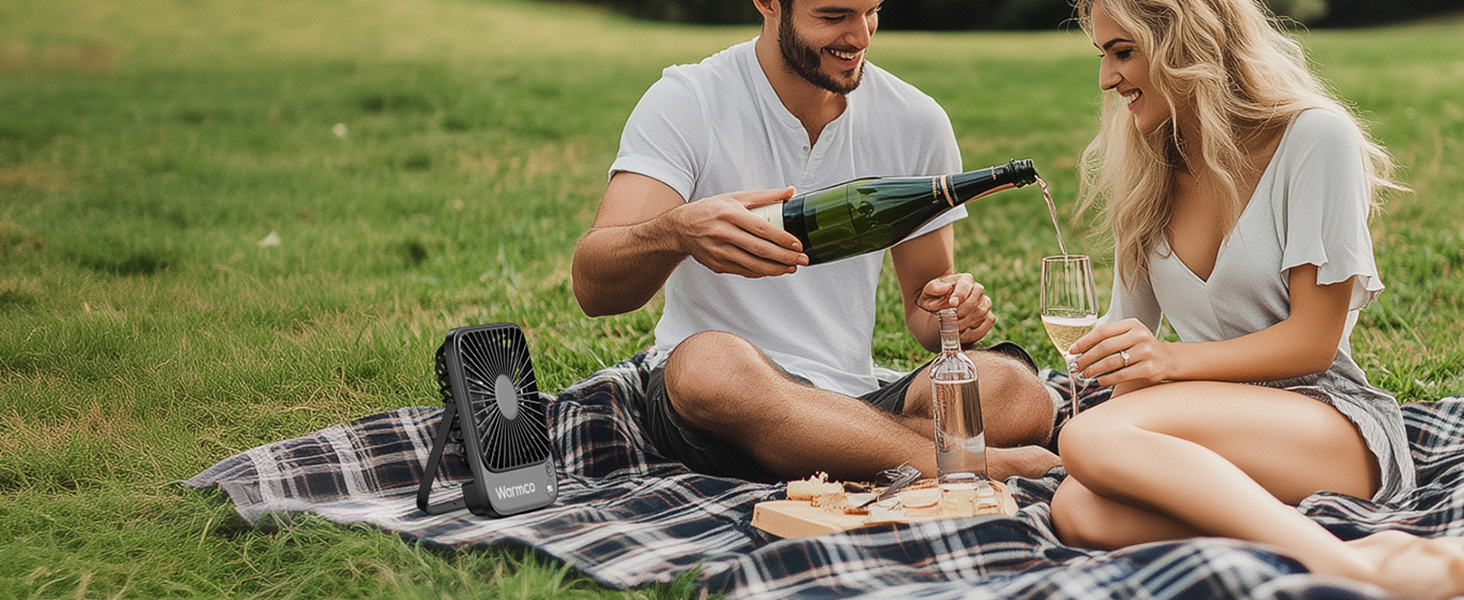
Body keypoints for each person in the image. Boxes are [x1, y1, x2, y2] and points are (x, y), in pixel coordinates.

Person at [1053, 0, 1464, 597]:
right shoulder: (1149, 168)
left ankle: (1365, 575)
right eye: (1103, 55)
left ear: (1186, 44)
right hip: (1214, 420)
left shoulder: (1312, 138)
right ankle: (1351, 547)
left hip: (1329, 421)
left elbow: (1313, 342)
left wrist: (1168, 364)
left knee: (1091, 438)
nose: (1106, 79)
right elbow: (1128, 347)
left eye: (1123, 53)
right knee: (1079, 508)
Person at [571, 0, 1061, 485]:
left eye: (871, 11)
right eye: (833, 17)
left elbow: (926, 312)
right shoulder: (688, 100)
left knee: (1019, 394)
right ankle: (955, 463)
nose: (862, 37)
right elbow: (594, 288)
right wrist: (676, 232)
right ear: (767, 4)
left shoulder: (915, 119)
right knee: (708, 365)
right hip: (719, 406)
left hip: (851, 400)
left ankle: (841, 449)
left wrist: (951, 310)